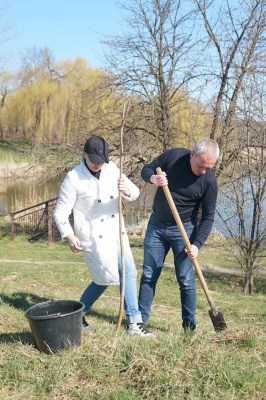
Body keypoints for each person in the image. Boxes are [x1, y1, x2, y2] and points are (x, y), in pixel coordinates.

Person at [54, 136, 153, 337]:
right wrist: (69, 236)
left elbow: (133, 192)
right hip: (92, 236)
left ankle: (134, 322)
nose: (98, 164)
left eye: (102, 160)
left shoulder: (112, 169)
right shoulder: (74, 178)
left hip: (116, 231)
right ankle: (80, 316)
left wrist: (126, 190)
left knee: (127, 271)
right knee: (103, 279)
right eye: (94, 160)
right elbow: (60, 213)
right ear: (84, 155)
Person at [138, 137, 220, 332]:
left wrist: (196, 245)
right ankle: (139, 322)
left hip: (184, 231)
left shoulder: (209, 181)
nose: (204, 171)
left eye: (209, 167)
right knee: (149, 274)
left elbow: (208, 217)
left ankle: (189, 328)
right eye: (201, 166)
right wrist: (153, 178)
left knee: (185, 280)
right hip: (156, 226)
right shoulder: (173, 157)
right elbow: (147, 169)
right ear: (192, 155)